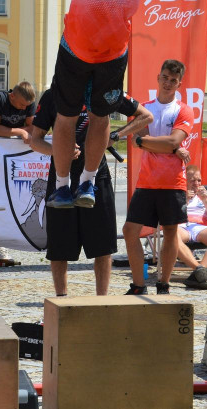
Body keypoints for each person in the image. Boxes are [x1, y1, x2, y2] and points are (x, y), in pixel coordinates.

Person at [18, 0, 176, 210]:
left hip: (76, 45)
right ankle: (87, 183)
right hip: (114, 50)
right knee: (101, 117)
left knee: (66, 116)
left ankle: (62, 186)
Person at [28, 87, 152, 297]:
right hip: (61, 177)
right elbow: (35, 140)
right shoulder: (54, 94)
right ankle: (62, 300)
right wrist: (59, 151)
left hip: (97, 176)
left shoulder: (105, 90)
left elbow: (146, 116)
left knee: (102, 246)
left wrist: (115, 135)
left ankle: (101, 301)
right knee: (59, 246)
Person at [121, 59, 194, 295]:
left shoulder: (184, 109)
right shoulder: (145, 108)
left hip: (173, 181)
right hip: (147, 180)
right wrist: (170, 148)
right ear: (158, 78)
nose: (168, 83)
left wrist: (155, 143)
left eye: (173, 80)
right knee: (130, 231)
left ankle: (164, 283)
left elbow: (171, 140)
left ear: (179, 83)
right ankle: (138, 285)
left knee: (170, 233)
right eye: (165, 77)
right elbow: (136, 139)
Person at [176, 164, 207, 290]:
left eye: (199, 180)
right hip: (181, 226)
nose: (196, 183)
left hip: (200, 228)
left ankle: (197, 274)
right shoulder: (177, 196)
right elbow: (167, 214)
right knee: (171, 235)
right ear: (185, 181)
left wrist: (204, 200)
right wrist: (183, 200)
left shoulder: (205, 198)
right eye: (192, 180)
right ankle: (199, 270)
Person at [0, 81, 36, 167]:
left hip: (18, 150)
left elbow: (32, 128)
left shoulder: (29, 103)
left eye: (27, 105)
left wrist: (6, 131)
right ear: (12, 96)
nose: (24, 108)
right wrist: (21, 132)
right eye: (22, 104)